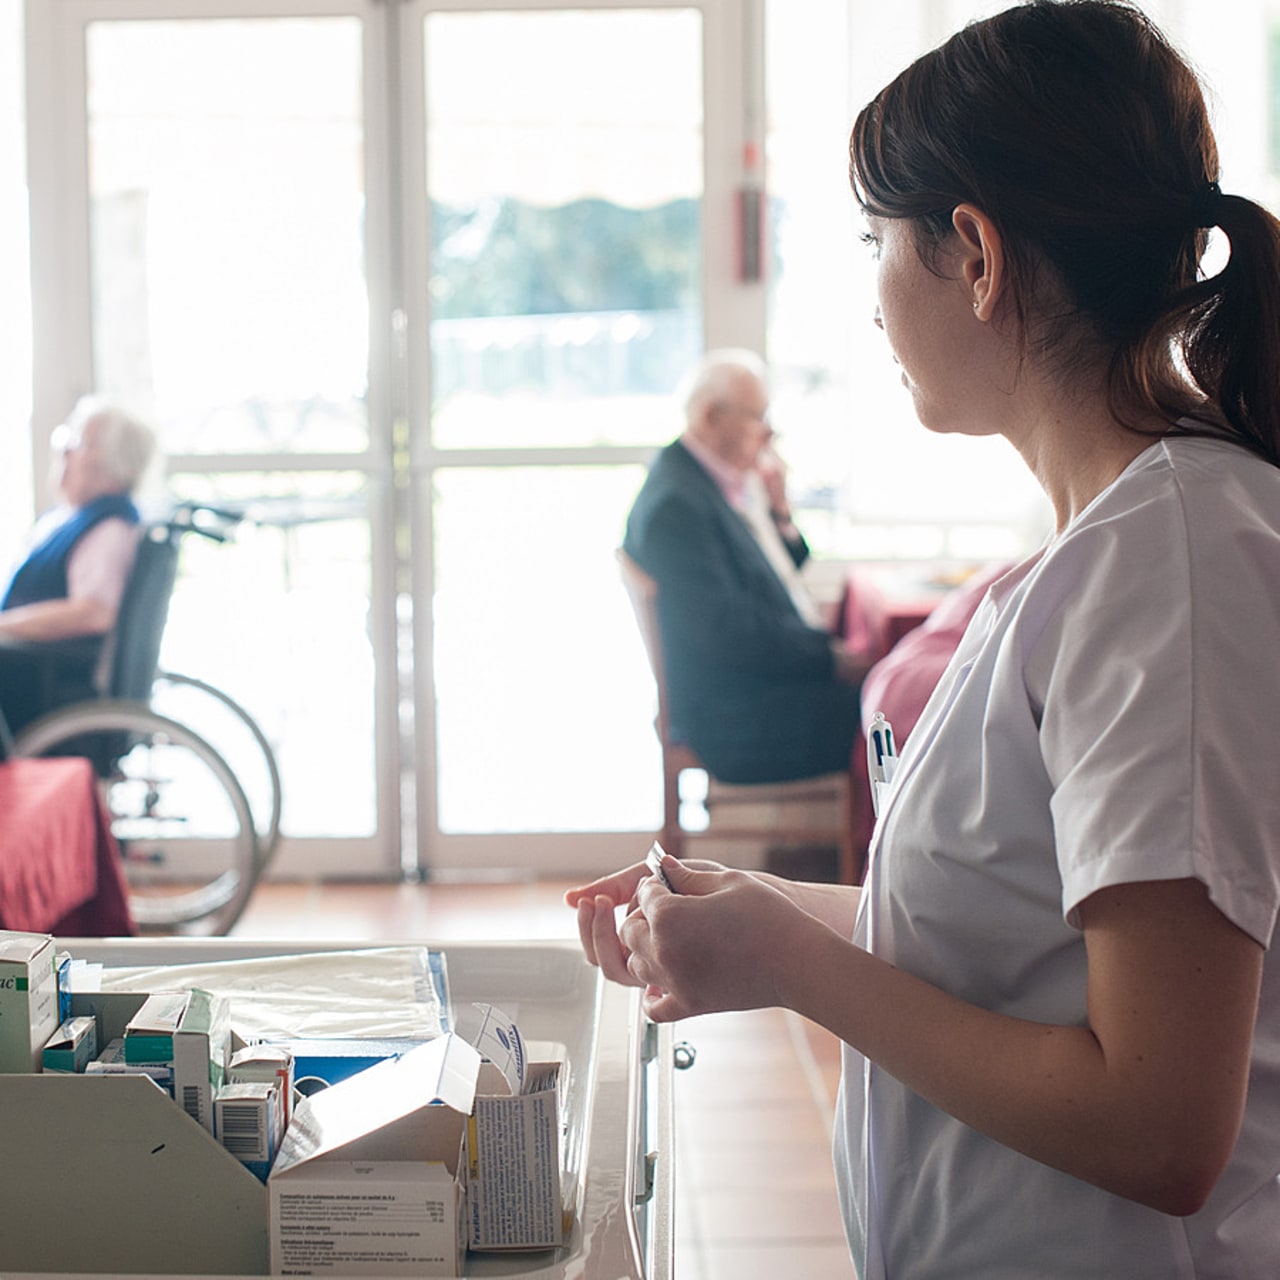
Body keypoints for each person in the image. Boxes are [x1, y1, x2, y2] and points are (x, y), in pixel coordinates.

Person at [569, 4, 1280, 1275]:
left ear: (973, 255)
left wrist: (788, 960)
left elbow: (1157, 1118)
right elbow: (1007, 945)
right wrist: (760, 909)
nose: (873, 296)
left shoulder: (1162, 563)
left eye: (872, 241)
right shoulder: (1109, 545)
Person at [623, 348, 867, 784]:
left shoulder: (709, 478)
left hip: (753, 685)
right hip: (732, 719)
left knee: (892, 687)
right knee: (893, 705)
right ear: (712, 417)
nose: (770, 433)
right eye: (758, 417)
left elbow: (773, 573)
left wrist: (779, 511)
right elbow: (728, 632)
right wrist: (828, 659)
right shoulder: (676, 507)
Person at [0, 396, 157, 739]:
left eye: (79, 443)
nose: (64, 452)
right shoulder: (68, 518)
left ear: (113, 463)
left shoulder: (109, 528)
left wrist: (4, 625)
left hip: (42, 681)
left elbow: (93, 613)